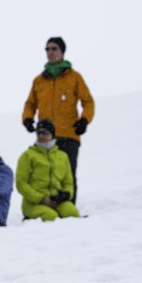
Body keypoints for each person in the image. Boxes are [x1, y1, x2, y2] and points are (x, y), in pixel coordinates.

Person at [22, 36, 94, 204]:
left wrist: (84, 120)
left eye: (54, 48)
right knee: (45, 173)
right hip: (46, 136)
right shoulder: (39, 81)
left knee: (67, 173)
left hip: (69, 134)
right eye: (47, 49)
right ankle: (49, 208)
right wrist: (27, 119)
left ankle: (68, 209)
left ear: (62, 51)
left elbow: (88, 102)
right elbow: (30, 104)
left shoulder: (74, 77)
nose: (50, 52)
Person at [16, 119, 81, 222]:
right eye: (38, 132)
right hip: (34, 204)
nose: (41, 136)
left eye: (45, 132)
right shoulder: (27, 156)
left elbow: (68, 182)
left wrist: (66, 194)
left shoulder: (62, 156)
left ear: (52, 134)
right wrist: (41, 198)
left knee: (72, 214)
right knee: (51, 217)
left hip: (57, 201)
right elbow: (21, 183)